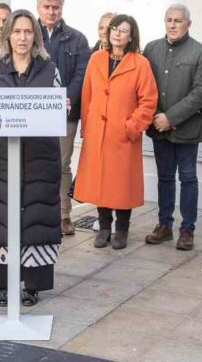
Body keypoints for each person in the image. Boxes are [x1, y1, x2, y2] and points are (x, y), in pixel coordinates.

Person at [0, 9, 63, 307]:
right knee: (2, 218)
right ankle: (3, 284)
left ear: (35, 37)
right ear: (8, 36)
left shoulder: (48, 69)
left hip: (38, 157)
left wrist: (59, 107)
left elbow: (55, 111)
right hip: (1, 157)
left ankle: (31, 284)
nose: (23, 37)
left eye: (28, 32)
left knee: (35, 218)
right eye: (17, 32)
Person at [74, 14, 158, 250]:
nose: (118, 34)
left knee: (121, 185)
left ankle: (121, 229)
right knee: (101, 183)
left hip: (123, 135)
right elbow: (87, 94)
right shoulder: (96, 59)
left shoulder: (140, 63)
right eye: (115, 29)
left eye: (123, 30)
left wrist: (131, 126)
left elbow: (148, 101)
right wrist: (87, 125)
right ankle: (103, 227)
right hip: (98, 133)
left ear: (131, 36)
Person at [143, 4, 202, 250]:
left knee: (188, 178)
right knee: (164, 177)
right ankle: (164, 225)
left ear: (188, 24)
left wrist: (170, 117)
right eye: (169, 20)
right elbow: (143, 85)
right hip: (157, 127)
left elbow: (201, 92)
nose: (172, 25)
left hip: (186, 128)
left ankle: (187, 229)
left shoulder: (201, 52)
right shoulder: (151, 49)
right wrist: (154, 116)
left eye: (178, 21)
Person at [37, 0, 91, 236]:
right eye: (47, 7)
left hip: (65, 114)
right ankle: (36, 212)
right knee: (33, 162)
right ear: (39, 8)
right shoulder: (28, 33)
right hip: (32, 112)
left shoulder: (77, 39)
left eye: (55, 7)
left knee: (61, 164)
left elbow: (82, 74)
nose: (51, 11)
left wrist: (65, 100)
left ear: (62, 8)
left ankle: (63, 215)